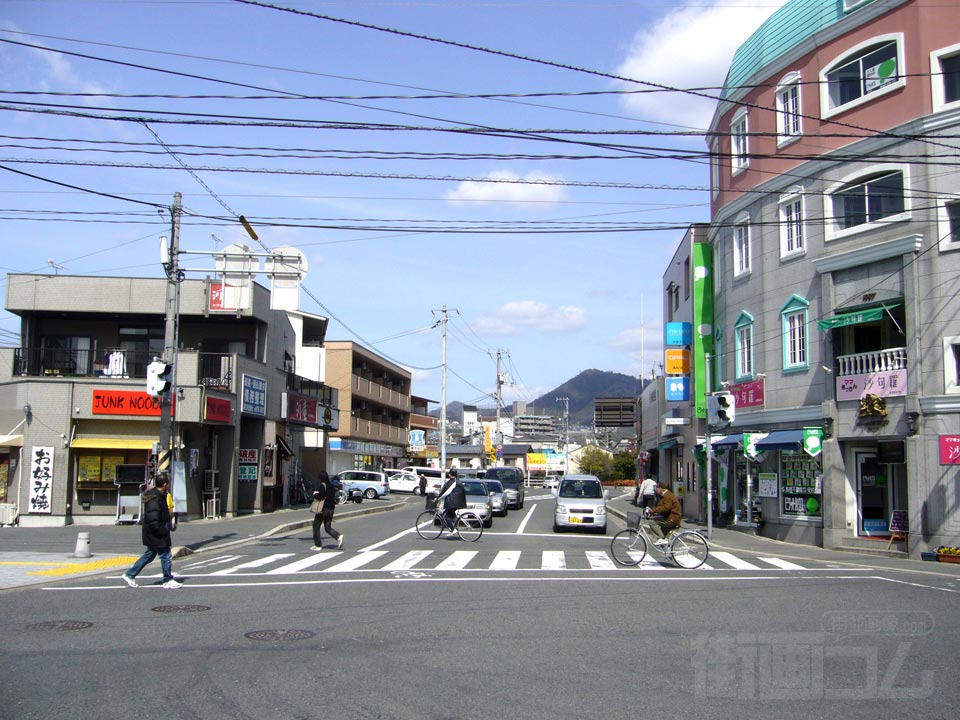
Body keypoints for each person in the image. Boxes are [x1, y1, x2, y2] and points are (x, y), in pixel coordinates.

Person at [121, 473, 182, 589]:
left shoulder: (158, 496)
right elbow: (153, 519)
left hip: (152, 532)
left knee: (150, 555)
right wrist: (163, 529)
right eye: (168, 483)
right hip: (157, 533)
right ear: (164, 484)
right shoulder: (155, 499)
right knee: (166, 555)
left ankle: (130, 574)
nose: (168, 486)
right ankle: (167, 579)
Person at [310, 471, 343, 551]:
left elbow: (320, 496)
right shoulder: (331, 485)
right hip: (331, 508)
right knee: (328, 527)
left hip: (323, 508)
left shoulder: (323, 485)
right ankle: (338, 536)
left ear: (321, 478)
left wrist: (315, 494)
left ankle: (318, 545)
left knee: (316, 525)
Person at [645, 481, 682, 547]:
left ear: (661, 488)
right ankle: (665, 546)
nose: (655, 489)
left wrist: (652, 511)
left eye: (656, 488)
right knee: (663, 537)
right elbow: (660, 507)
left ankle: (661, 539)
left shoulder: (667, 496)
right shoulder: (664, 495)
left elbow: (665, 508)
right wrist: (652, 513)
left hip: (672, 519)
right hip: (669, 517)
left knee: (652, 522)